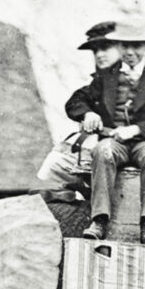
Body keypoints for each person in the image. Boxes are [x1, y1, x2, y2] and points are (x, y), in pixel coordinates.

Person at [66, 22, 145, 244]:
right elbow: (75, 101)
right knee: (102, 150)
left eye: (136, 46)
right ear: (117, 45)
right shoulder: (106, 75)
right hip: (113, 140)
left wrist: (136, 129)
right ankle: (99, 220)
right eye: (125, 46)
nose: (130, 52)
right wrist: (87, 114)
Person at [36, 22, 122, 199]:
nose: (99, 54)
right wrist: (87, 113)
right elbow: (77, 100)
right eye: (95, 50)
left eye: (105, 48)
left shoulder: (138, 77)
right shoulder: (101, 81)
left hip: (125, 147)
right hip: (105, 146)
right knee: (53, 165)